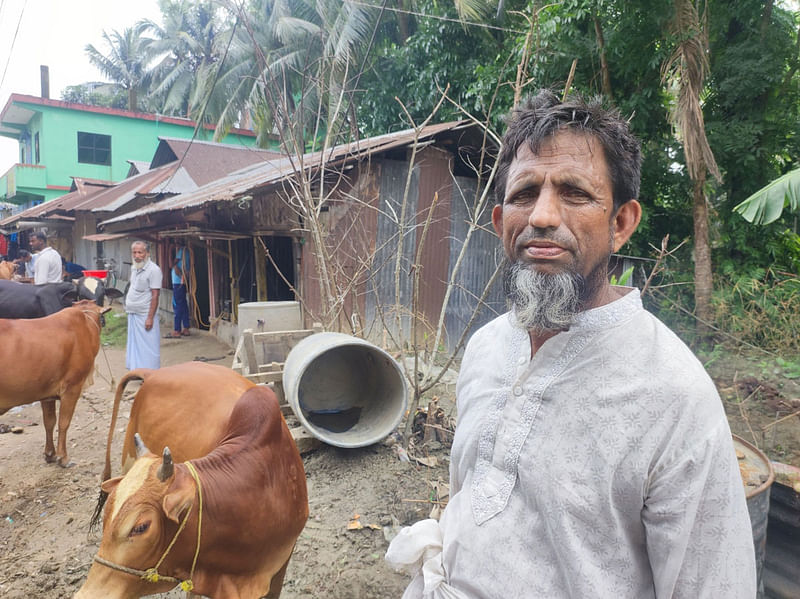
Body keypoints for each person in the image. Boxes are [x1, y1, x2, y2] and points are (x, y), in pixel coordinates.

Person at [386, 90, 756, 598]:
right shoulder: (486, 347)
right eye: (523, 194)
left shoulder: (674, 396)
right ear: (499, 222)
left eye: (575, 193)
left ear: (621, 223)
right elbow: (466, 496)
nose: (541, 216)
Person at [124, 240, 162, 370]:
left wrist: (150, 317)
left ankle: (151, 374)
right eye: (134, 252)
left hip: (145, 315)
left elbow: (155, 295)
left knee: (149, 347)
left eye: (140, 252)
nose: (137, 255)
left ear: (147, 253)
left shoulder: (154, 270)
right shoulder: (134, 267)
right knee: (135, 346)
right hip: (133, 314)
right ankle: (137, 371)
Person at [167, 240, 191, 338]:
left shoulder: (182, 251)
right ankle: (186, 328)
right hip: (182, 281)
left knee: (177, 305)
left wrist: (169, 250)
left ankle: (177, 330)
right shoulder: (187, 252)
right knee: (183, 305)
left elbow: (170, 265)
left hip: (178, 282)